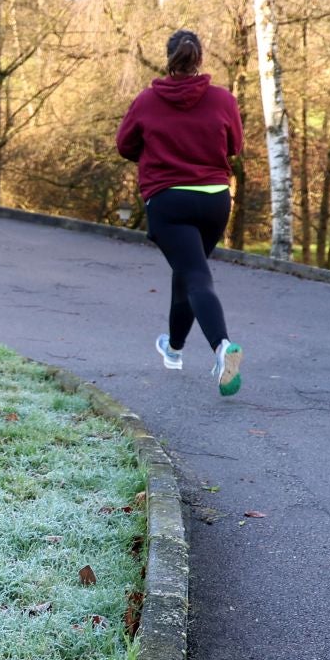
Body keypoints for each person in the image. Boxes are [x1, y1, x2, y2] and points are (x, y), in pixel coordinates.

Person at [116, 29, 246, 396]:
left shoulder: (147, 101)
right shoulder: (223, 100)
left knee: (194, 276)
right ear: (199, 59)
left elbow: (125, 145)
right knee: (189, 274)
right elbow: (234, 145)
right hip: (214, 199)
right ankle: (173, 349)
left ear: (169, 57)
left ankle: (222, 347)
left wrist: (157, 150)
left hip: (169, 200)